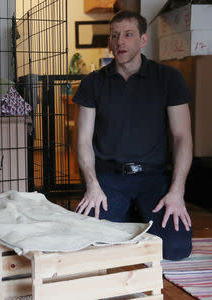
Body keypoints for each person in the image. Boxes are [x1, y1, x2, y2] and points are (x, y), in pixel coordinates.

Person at [73, 10, 193, 260]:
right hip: (109, 181)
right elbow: (83, 140)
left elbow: (182, 136)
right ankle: (130, 216)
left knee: (176, 248)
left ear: (143, 40)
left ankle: (136, 217)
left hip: (154, 178)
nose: (120, 42)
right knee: (87, 244)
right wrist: (92, 186)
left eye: (128, 34)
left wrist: (177, 191)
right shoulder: (92, 83)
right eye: (115, 35)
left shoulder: (168, 78)